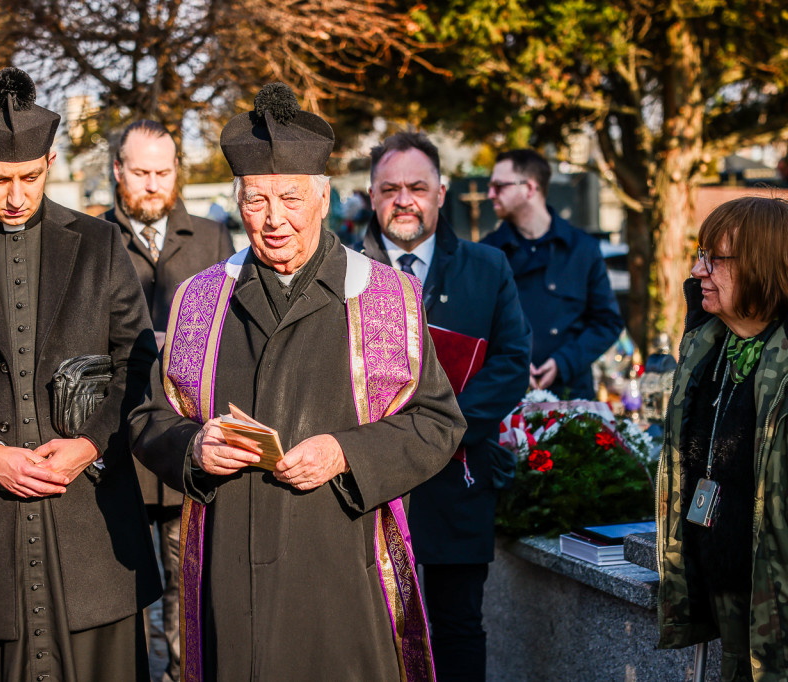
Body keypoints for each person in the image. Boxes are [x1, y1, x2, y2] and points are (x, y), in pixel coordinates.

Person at [129, 83, 465, 681]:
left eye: (290, 198)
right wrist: (194, 447)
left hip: (343, 574)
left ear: (323, 196)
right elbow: (150, 418)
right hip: (231, 579)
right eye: (256, 201)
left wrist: (345, 452)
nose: (274, 219)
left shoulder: (384, 295)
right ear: (237, 200)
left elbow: (438, 422)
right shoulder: (201, 299)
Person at [0, 67, 161, 681]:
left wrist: (90, 443)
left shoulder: (99, 244)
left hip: (92, 523)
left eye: (31, 176)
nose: (16, 195)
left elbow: (140, 359)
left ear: (48, 161)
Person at [357, 132, 531, 681]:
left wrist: (437, 433)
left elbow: (510, 363)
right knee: (374, 631)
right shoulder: (339, 273)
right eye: (390, 188)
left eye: (417, 186)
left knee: (457, 628)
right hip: (369, 487)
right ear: (371, 195)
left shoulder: (488, 267)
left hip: (459, 477)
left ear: (441, 192)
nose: (403, 199)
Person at [106, 119, 235, 682]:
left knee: (190, 586)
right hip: (117, 441)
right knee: (119, 591)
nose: (154, 184)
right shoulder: (92, 240)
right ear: (117, 171)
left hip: (187, 442)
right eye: (141, 172)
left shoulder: (212, 239)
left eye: (164, 172)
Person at [656, 197, 788, 681]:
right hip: (724, 589)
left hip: (775, 597)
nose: (697, 270)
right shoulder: (709, 344)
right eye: (699, 254)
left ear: (762, 265)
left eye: (715, 258)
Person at [481, 149, 623, 398]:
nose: (490, 193)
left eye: (499, 186)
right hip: (505, 396)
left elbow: (607, 322)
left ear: (529, 188)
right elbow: (475, 326)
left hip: (572, 398)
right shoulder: (487, 252)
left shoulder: (583, 248)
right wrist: (510, 362)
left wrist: (563, 362)